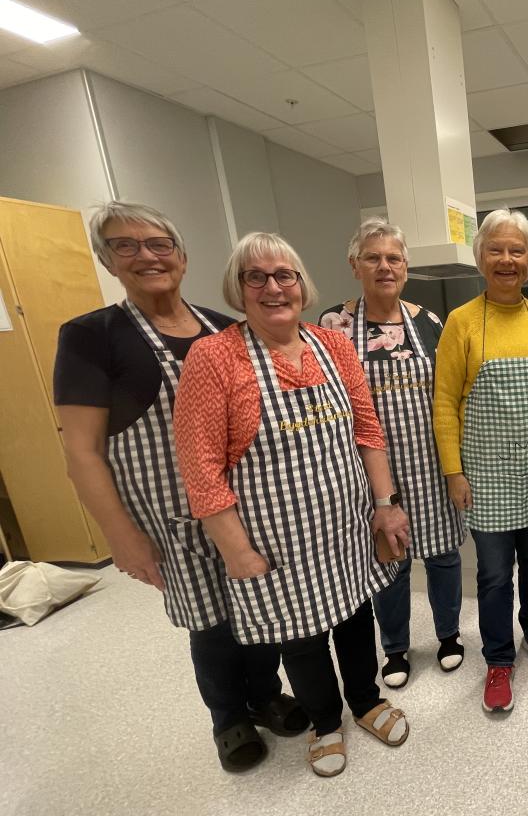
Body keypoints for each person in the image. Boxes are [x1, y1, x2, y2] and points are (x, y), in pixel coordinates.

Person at [54, 202, 307, 773]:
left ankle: (265, 695)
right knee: (209, 622)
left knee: (259, 606)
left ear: (183, 257)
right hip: (171, 517)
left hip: (247, 506)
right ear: (107, 261)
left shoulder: (223, 328)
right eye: (125, 246)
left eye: (158, 244)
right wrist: (121, 536)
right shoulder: (92, 337)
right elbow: (82, 451)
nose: (146, 256)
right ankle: (228, 718)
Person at [174, 232, 411, 778]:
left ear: (302, 285)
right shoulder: (214, 357)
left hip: (348, 526)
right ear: (238, 288)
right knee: (301, 638)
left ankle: (367, 700)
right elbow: (202, 471)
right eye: (256, 277)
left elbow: (368, 430)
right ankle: (325, 724)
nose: (273, 288)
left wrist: (385, 504)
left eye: (285, 275)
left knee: (356, 618)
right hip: (276, 538)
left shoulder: (333, 346)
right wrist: (237, 552)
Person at [319, 217, 466, 689]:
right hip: (371, 467)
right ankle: (396, 647)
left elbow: (448, 395)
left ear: (405, 266)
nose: (384, 266)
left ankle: (448, 636)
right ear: (354, 265)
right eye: (373, 258)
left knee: (443, 558)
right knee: (390, 558)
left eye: (393, 258)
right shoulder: (333, 326)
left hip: (430, 461)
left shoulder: (429, 322)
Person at [432, 209, 528, 713]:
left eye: (516, 250)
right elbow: (445, 402)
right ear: (480, 257)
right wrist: (454, 472)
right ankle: (498, 658)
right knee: (492, 574)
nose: (506, 259)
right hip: (485, 474)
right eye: (496, 249)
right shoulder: (462, 321)